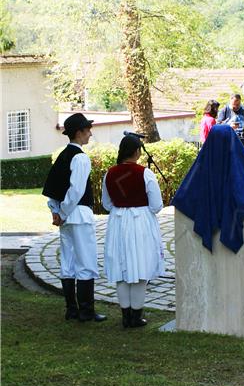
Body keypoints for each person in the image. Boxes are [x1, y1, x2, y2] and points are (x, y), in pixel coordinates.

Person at [42, 113, 107, 322]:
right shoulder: (80, 157)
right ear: (79, 132)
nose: (90, 133)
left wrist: (56, 210)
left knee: (68, 261)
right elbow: (76, 190)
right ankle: (86, 311)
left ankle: (71, 309)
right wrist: (60, 212)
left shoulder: (62, 156)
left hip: (66, 216)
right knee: (86, 260)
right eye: (87, 129)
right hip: (77, 215)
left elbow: (52, 188)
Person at [101, 134, 165, 328]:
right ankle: (136, 316)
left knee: (121, 269)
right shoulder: (145, 173)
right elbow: (156, 205)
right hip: (140, 223)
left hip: (118, 222)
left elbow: (106, 204)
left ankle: (125, 315)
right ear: (137, 151)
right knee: (140, 267)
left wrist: (122, 208)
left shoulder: (109, 173)